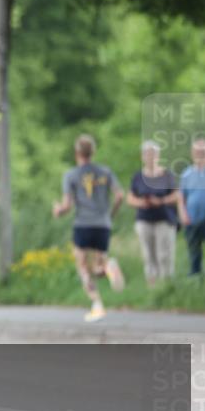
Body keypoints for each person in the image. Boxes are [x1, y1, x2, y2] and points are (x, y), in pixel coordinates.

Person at [52, 134, 125, 322]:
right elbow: (119, 196)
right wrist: (110, 215)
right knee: (98, 267)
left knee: (83, 267)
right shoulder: (106, 172)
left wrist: (58, 211)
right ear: (93, 152)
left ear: (77, 152)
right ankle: (108, 266)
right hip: (103, 224)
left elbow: (67, 205)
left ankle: (97, 303)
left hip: (83, 224)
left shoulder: (71, 175)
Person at [127, 141, 179, 284]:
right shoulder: (138, 176)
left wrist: (161, 201)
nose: (150, 157)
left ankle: (167, 284)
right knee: (148, 255)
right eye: (147, 154)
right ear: (142, 156)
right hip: (144, 219)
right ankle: (152, 286)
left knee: (164, 253)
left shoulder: (167, 175)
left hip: (164, 218)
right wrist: (142, 203)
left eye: (153, 154)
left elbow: (176, 195)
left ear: (158, 155)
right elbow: (130, 197)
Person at [179, 137, 205, 277]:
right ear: (192, 154)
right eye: (197, 152)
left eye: (203, 151)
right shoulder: (186, 175)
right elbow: (181, 198)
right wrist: (183, 214)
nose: (200, 154)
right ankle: (195, 277)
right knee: (194, 251)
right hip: (192, 219)